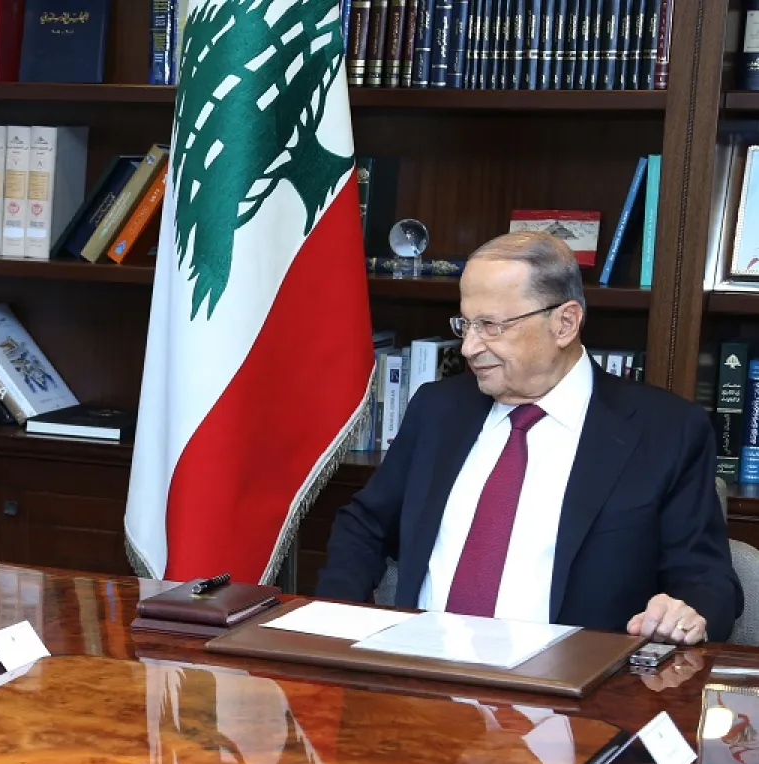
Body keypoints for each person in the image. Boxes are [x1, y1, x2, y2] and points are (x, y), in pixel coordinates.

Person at [316, 231, 741, 644]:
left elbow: (706, 578)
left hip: (573, 695)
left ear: (565, 323)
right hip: (423, 686)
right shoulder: (439, 410)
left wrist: (687, 613)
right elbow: (365, 524)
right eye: (466, 323)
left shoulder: (665, 431)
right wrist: (337, 624)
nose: (468, 347)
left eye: (491, 326)